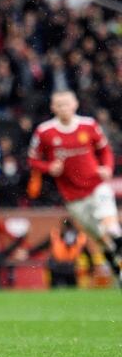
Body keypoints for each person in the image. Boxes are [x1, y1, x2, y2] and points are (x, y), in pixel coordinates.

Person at [28, 89, 122, 284]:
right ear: (53, 107)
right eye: (59, 104)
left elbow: (105, 150)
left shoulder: (89, 125)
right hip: (73, 198)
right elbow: (33, 159)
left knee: (112, 229)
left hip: (97, 187)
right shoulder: (44, 131)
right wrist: (49, 167)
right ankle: (118, 272)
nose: (63, 108)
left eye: (67, 103)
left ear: (75, 104)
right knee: (101, 240)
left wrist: (107, 168)